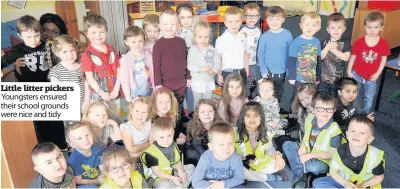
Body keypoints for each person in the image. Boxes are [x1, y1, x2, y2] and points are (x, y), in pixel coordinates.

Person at [1, 15, 68, 152]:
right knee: (39, 125)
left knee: (56, 121)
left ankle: (62, 147)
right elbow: (4, 63)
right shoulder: (17, 50)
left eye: (37, 35)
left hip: (49, 90)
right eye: (29, 37)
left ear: (40, 32)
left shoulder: (48, 45)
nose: (34, 40)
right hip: (30, 93)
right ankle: (46, 151)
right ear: (20, 36)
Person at [283, 92, 342, 183]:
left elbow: (331, 155)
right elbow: (306, 136)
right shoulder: (310, 118)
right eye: (320, 109)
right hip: (308, 151)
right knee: (287, 145)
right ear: (313, 109)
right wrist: (302, 146)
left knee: (315, 167)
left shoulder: (335, 131)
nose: (325, 112)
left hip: (322, 160)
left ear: (334, 110)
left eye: (329, 109)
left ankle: (299, 168)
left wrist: (310, 156)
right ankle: (302, 172)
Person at [313, 116, 385, 188]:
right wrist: (345, 183)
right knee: (317, 183)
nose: (356, 135)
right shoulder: (339, 150)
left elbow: (379, 177)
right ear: (347, 134)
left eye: (362, 133)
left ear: (369, 139)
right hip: (344, 182)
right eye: (353, 131)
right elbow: (333, 171)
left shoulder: (375, 156)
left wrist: (362, 186)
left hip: (364, 185)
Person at [347, 12, 390, 114]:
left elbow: (383, 60)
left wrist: (377, 74)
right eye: (369, 27)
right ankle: (353, 113)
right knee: (354, 95)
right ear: (364, 27)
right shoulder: (359, 42)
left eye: (375, 27)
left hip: (372, 77)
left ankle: (365, 115)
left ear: (381, 27)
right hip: (356, 74)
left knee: (369, 97)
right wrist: (349, 70)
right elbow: (353, 57)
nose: (372, 30)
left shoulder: (383, 44)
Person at [81, 14, 121, 122]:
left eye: (101, 32)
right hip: (98, 97)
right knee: (101, 123)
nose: (98, 35)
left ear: (106, 31)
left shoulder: (113, 50)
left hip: (115, 94)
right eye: (93, 32)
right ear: (87, 34)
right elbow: (90, 78)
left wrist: (116, 90)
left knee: (118, 120)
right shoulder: (87, 55)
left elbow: (119, 71)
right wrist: (102, 93)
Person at [235, 101, 288, 183]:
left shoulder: (266, 133)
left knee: (279, 163)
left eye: (256, 116)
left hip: (259, 162)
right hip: (242, 163)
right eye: (248, 116)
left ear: (261, 118)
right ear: (242, 118)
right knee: (238, 170)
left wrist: (277, 156)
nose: (252, 119)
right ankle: (270, 178)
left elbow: (269, 149)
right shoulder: (235, 133)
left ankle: (252, 177)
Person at [152, 10, 191, 121]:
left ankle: (179, 132)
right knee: (167, 110)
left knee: (178, 109)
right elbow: (156, 66)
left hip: (180, 83)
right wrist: (158, 85)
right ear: (160, 26)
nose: (169, 27)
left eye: (173, 24)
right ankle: (167, 130)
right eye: (165, 24)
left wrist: (188, 77)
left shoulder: (181, 42)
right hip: (165, 85)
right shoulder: (158, 44)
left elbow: (186, 60)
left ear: (178, 25)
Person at [140, 117, 194, 188]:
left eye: (169, 136)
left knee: (191, 168)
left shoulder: (173, 144)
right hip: (159, 178)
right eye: (161, 137)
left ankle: (178, 185)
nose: (166, 141)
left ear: (173, 133)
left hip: (172, 171)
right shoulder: (151, 153)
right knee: (164, 185)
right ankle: (179, 185)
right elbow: (157, 172)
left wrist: (181, 171)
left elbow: (177, 161)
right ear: (154, 136)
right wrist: (173, 178)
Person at [191, 121, 244, 189]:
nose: (226, 148)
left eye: (230, 143)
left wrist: (223, 184)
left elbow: (240, 178)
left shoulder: (236, 158)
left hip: (227, 185)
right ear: (211, 147)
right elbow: (195, 182)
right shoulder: (205, 158)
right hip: (208, 186)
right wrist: (215, 186)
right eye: (221, 144)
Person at [258, 6, 293, 101]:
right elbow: (260, 53)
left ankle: (275, 108)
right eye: (271, 19)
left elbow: (290, 53)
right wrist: (263, 69)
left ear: (283, 20)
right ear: (267, 20)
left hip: (281, 72)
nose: (274, 22)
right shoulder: (264, 36)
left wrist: (289, 70)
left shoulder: (287, 35)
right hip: (267, 72)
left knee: (278, 91)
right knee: (266, 92)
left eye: (277, 19)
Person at [48, 35, 89, 112]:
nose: (70, 55)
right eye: (64, 52)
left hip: (84, 107)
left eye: (72, 50)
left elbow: (87, 86)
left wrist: (86, 103)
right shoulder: (56, 71)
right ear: (57, 53)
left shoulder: (82, 67)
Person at [187, 21, 220, 108]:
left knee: (208, 102)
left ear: (209, 37)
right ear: (195, 37)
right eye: (200, 37)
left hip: (209, 82)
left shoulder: (212, 49)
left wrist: (213, 71)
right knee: (198, 103)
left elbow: (217, 63)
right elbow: (190, 65)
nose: (203, 40)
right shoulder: (192, 50)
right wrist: (201, 69)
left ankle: (207, 119)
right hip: (197, 82)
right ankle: (197, 119)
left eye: (206, 37)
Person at [319, 13, 351, 97]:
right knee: (321, 97)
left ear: (344, 29)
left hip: (337, 79)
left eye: (339, 27)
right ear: (328, 29)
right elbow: (320, 57)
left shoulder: (346, 42)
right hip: (323, 78)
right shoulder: (324, 42)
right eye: (333, 28)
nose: (336, 30)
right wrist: (327, 47)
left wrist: (332, 49)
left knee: (333, 98)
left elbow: (346, 57)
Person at [216, 6, 248, 87]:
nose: (234, 24)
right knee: (227, 96)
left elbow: (245, 54)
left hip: (241, 71)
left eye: (237, 21)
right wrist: (219, 75)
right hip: (227, 72)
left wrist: (247, 69)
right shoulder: (220, 40)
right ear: (225, 23)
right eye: (230, 22)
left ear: (241, 22)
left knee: (241, 94)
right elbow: (217, 59)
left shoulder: (243, 37)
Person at [120, 25, 154, 102]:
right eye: (133, 42)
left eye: (140, 41)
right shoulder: (125, 59)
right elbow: (124, 80)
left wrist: (154, 89)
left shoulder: (148, 56)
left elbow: (153, 74)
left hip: (149, 91)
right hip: (134, 94)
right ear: (126, 42)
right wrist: (127, 95)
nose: (137, 45)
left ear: (144, 40)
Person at [120, 96, 153, 174]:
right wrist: (148, 145)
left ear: (148, 114)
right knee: (137, 170)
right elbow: (130, 150)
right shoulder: (127, 128)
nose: (140, 115)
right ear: (131, 111)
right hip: (132, 157)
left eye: (144, 112)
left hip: (144, 152)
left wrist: (149, 146)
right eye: (137, 111)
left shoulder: (148, 124)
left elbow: (153, 141)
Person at [66, 122, 105, 188]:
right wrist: (96, 181)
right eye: (79, 138)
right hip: (84, 184)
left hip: (97, 176)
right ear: (72, 144)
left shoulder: (96, 148)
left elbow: (102, 165)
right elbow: (78, 181)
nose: (86, 139)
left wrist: (106, 175)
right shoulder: (73, 161)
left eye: (87, 135)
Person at [287, 12, 322, 86]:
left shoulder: (317, 41)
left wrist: (318, 76)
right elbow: (291, 60)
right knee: (298, 96)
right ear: (301, 26)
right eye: (306, 25)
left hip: (312, 78)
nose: (309, 28)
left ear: (318, 28)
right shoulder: (296, 41)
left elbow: (318, 60)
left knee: (310, 96)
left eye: (313, 25)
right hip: (299, 78)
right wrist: (292, 76)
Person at [184, 99, 219, 165]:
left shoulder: (219, 127)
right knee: (191, 154)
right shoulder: (194, 127)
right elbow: (197, 146)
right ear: (197, 115)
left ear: (215, 112)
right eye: (203, 112)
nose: (207, 114)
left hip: (213, 151)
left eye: (210, 111)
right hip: (198, 151)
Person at [240, 2, 262, 99]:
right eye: (249, 16)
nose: (252, 19)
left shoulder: (258, 30)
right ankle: (245, 96)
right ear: (244, 16)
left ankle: (252, 95)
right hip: (242, 61)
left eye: (254, 16)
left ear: (258, 17)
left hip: (253, 61)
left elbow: (260, 46)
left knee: (252, 78)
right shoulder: (241, 29)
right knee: (243, 78)